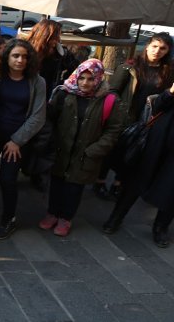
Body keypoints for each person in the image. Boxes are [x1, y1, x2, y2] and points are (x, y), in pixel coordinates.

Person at [39, 59, 123, 236]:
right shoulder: (64, 93)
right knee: (56, 184)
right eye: (82, 78)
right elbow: (50, 119)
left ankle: (65, 218)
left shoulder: (108, 100)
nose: (85, 83)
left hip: (85, 154)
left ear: (98, 79)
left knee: (74, 188)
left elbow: (113, 130)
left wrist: (95, 150)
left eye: (90, 79)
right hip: (61, 150)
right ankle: (52, 213)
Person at [0, 39, 46, 239]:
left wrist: (17, 141)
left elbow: (38, 116)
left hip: (18, 139)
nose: (20, 60)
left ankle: (9, 219)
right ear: (7, 57)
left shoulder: (37, 82)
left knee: (7, 178)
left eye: (24, 56)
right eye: (16, 55)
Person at [96, 33, 173, 198]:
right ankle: (100, 181)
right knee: (112, 150)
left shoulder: (167, 72)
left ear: (168, 51)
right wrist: (118, 111)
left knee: (133, 153)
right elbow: (113, 92)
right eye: (154, 46)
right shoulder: (130, 66)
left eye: (162, 48)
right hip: (123, 117)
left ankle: (119, 182)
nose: (157, 51)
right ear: (147, 46)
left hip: (148, 120)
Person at [102, 80, 174, 247]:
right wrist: (171, 91)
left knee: (171, 191)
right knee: (136, 181)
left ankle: (160, 227)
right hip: (157, 142)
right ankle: (116, 217)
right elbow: (157, 107)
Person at [25, 19, 79, 191]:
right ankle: (24, 167)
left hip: (49, 102)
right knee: (25, 137)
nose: (58, 39)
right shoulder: (27, 51)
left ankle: (36, 173)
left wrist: (64, 57)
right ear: (45, 35)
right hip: (26, 100)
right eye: (55, 35)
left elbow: (75, 70)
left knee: (43, 139)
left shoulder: (59, 54)